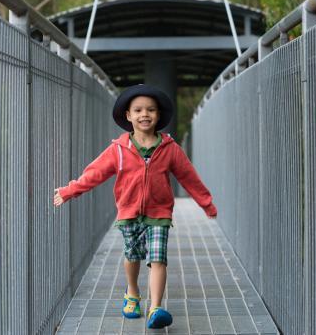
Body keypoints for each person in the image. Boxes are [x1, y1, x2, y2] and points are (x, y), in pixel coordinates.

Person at [54, 84, 217, 330]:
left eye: (151, 110)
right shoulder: (118, 150)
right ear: (128, 116)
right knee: (132, 256)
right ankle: (132, 291)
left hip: (159, 213)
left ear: (158, 115)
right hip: (128, 212)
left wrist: (206, 203)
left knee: (158, 259)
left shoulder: (169, 149)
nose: (145, 114)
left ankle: (156, 308)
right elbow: (94, 174)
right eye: (138, 110)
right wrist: (70, 191)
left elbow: (189, 177)